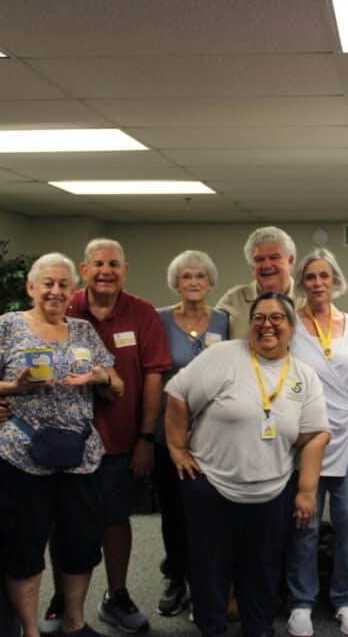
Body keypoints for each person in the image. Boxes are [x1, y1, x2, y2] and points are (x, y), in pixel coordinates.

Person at [0, 253, 123, 637]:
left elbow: (115, 385)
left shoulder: (84, 331)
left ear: (73, 290)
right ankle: (30, 630)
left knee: (80, 542)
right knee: (25, 545)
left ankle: (74, 621)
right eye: (48, 284)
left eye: (63, 285)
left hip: (79, 454)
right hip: (19, 453)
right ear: (31, 287)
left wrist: (98, 377)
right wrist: (12, 388)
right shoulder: (8, 326)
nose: (55, 291)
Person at [164, 292, 331, 637]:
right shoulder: (224, 356)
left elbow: (316, 435)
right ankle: (211, 629)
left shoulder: (304, 375)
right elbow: (178, 394)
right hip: (211, 487)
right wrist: (177, 448)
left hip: (271, 492)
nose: (266, 325)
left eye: (276, 318)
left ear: (291, 326)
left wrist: (307, 491)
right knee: (210, 572)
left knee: (262, 575)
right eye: (259, 317)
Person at [285, 249, 348, 637]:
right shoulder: (290, 324)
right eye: (310, 277)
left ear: (335, 281)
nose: (318, 283)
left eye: (325, 276)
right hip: (307, 438)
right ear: (301, 283)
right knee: (303, 524)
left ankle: (345, 599)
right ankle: (302, 602)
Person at [154, 250, 230, 617]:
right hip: (170, 432)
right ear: (176, 283)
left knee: (211, 513)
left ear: (211, 281)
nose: (194, 282)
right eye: (186, 276)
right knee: (174, 511)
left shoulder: (224, 321)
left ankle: (209, 581)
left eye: (200, 275)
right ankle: (175, 576)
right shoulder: (160, 320)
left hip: (215, 436)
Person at [216, 226, 298, 340]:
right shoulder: (233, 300)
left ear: (290, 261)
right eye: (259, 259)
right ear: (252, 266)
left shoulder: (308, 300)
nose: (267, 265)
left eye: (274, 257)